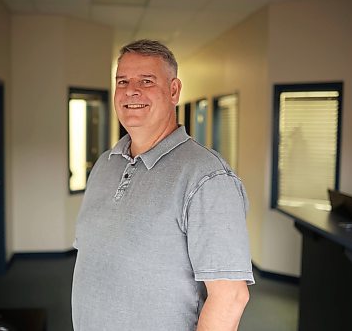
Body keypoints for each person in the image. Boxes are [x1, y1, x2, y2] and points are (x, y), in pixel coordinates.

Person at [72, 39, 254, 331]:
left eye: (146, 80)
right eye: (123, 81)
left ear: (173, 91)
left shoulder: (207, 178)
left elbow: (230, 297)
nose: (131, 90)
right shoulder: (105, 165)